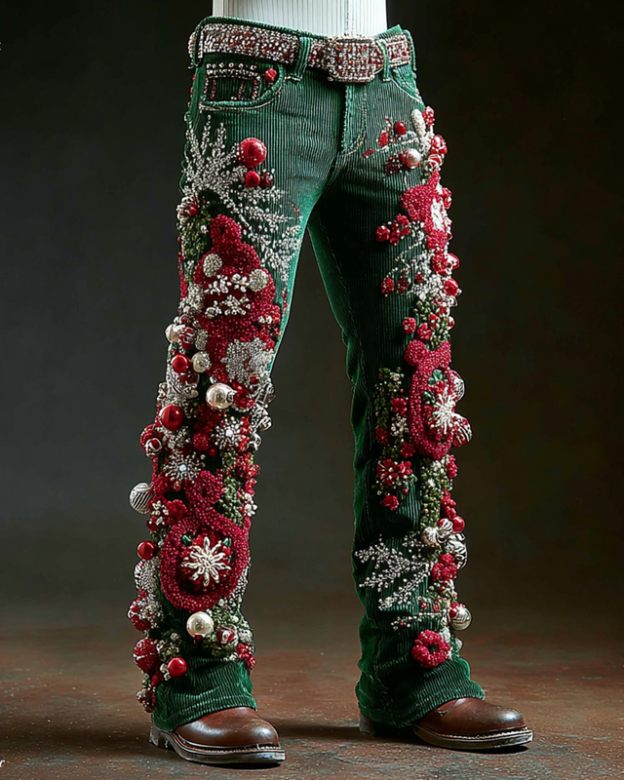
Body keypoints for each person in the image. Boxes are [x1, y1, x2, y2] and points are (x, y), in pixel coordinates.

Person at [127, 0, 533, 766]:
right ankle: (198, 675)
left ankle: (414, 664)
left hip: (389, 89)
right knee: (224, 386)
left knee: (416, 393)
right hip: (257, 88)